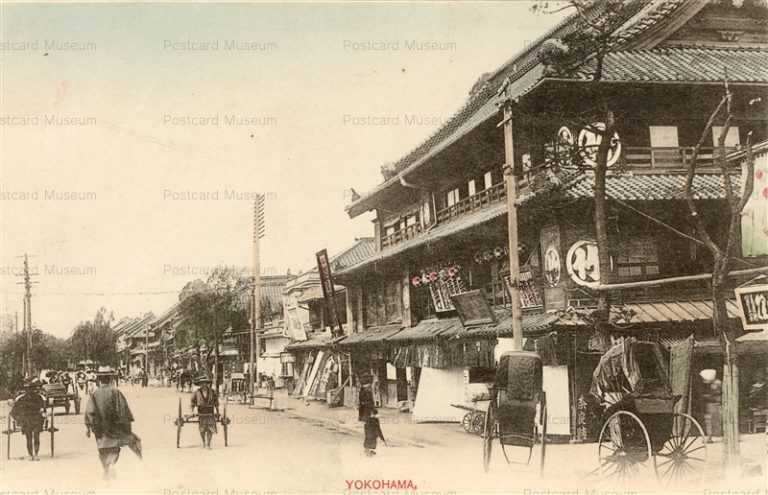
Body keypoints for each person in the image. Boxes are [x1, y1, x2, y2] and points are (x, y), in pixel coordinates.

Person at [85, 366, 142, 479]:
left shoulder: (94, 394)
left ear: (99, 380)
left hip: (100, 429)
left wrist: (88, 427)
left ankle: (106, 469)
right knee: (116, 447)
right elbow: (123, 411)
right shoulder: (116, 392)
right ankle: (111, 465)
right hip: (115, 428)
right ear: (110, 379)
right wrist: (126, 429)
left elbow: (89, 412)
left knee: (102, 449)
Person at [10, 378, 46, 461]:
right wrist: (18, 418)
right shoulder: (21, 399)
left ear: (34, 389)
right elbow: (14, 411)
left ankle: (36, 454)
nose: (30, 391)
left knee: (36, 435)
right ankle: (30, 454)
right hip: (26, 420)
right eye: (28, 389)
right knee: (28, 436)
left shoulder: (38, 398)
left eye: (31, 389)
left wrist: (42, 411)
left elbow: (43, 408)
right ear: (25, 390)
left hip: (36, 419)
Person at [190, 373, 219, 449]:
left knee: (210, 429)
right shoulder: (196, 392)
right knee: (202, 429)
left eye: (205, 383)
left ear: (207, 384)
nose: (204, 385)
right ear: (200, 384)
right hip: (201, 412)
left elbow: (216, 402)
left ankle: (208, 444)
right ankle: (203, 442)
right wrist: (192, 411)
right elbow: (192, 403)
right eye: (202, 383)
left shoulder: (212, 392)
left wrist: (218, 411)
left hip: (210, 412)